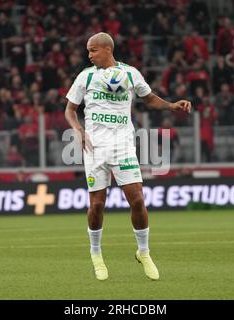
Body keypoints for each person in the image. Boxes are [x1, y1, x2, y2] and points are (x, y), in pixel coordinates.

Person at [65, 32, 191, 281]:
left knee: (137, 200)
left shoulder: (130, 73)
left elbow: (149, 98)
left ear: (106, 49)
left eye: (92, 50)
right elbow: (70, 109)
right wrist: (78, 130)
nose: (89, 55)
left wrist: (171, 105)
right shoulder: (86, 76)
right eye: (88, 51)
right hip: (95, 149)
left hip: (123, 146)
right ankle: (96, 253)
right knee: (97, 204)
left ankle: (143, 251)